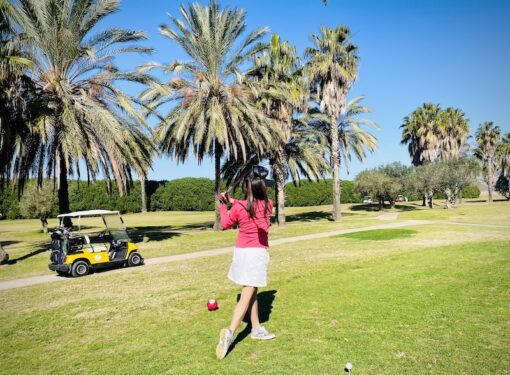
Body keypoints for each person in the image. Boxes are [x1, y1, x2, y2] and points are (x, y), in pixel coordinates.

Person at [215, 166, 276, 360]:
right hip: (255, 254)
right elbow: (253, 206)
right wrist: (231, 201)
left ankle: (256, 327)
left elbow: (225, 224)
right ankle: (230, 332)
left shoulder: (239, 207)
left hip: (241, 253)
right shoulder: (269, 204)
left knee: (252, 290)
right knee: (249, 291)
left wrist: (224, 204)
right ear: (262, 188)